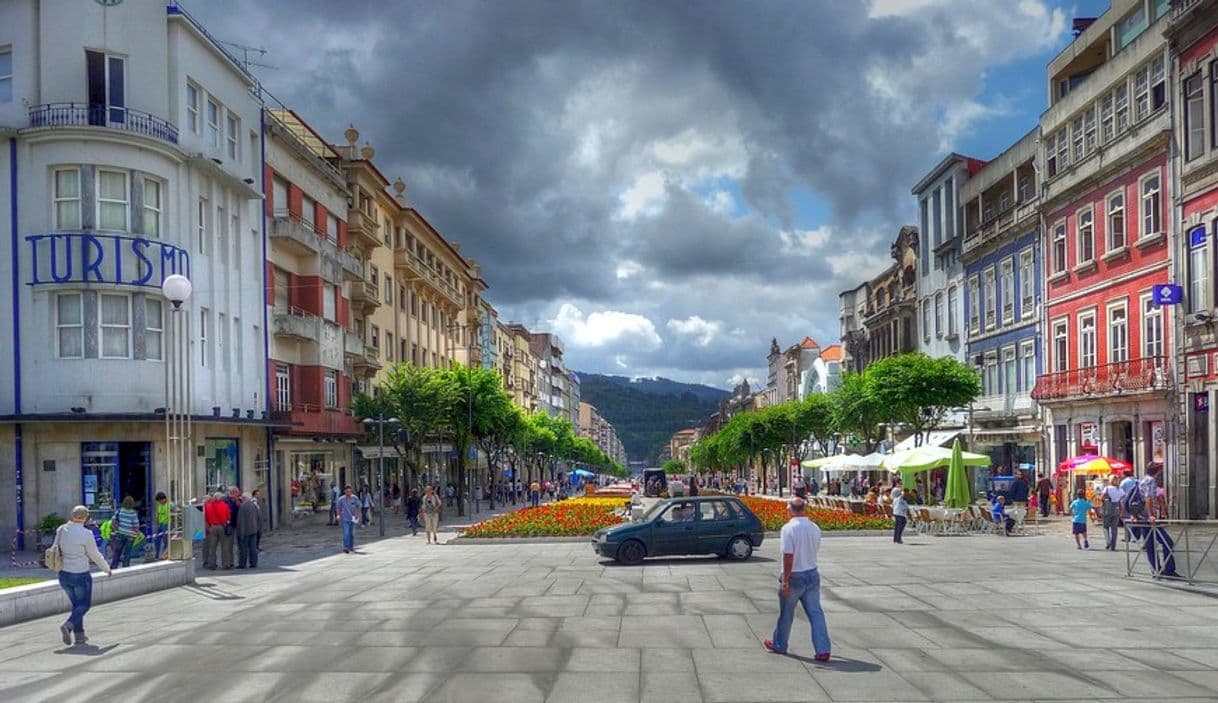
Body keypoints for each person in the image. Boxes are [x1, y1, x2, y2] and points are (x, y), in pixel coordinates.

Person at [763, 497, 831, 661]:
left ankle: (780, 644)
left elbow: (788, 556)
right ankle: (823, 649)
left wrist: (785, 580)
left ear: (790, 509)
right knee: (816, 613)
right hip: (812, 573)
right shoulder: (814, 527)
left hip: (795, 576)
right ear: (804, 509)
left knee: (786, 613)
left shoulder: (789, 529)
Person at [51, 505, 112, 646]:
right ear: (85, 518)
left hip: (63, 574)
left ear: (73, 516)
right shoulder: (86, 534)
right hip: (80, 574)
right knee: (84, 605)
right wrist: (106, 568)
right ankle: (68, 625)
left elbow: (54, 548)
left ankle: (79, 635)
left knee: (76, 606)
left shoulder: (61, 530)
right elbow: (94, 555)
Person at [1134, 465, 1180, 578]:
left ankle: (1155, 570)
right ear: (1157, 472)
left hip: (1142, 518)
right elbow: (1148, 498)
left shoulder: (1142, 480)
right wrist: (1151, 516)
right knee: (1168, 542)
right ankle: (1168, 569)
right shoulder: (1150, 481)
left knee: (1150, 545)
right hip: (1149, 519)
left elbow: (1157, 496)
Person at [108, 496, 141, 569]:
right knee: (127, 552)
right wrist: (136, 531)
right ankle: (125, 567)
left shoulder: (120, 511)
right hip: (130, 535)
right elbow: (136, 525)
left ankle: (114, 566)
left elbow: (113, 519)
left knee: (117, 551)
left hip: (120, 533)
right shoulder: (133, 513)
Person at [202, 492, 230, 570]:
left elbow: (206, 518)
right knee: (224, 546)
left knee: (212, 547)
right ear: (221, 498)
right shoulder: (225, 505)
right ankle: (226, 564)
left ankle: (212, 564)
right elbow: (228, 517)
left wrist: (209, 526)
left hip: (212, 527)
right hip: (222, 526)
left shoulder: (208, 506)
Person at [236, 492, 261, 568]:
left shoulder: (243, 507)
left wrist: (240, 533)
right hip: (254, 530)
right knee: (253, 548)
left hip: (245, 531)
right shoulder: (254, 506)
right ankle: (253, 563)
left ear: (244, 498)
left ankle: (242, 564)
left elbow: (241, 521)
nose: (241, 499)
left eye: (242, 498)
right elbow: (258, 518)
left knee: (243, 549)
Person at [1099, 476, 1124, 551]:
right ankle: (1113, 545)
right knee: (1114, 528)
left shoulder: (1107, 488)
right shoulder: (1120, 489)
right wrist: (1121, 511)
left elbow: (1102, 498)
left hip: (1107, 508)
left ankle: (1108, 541)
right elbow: (1120, 501)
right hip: (1116, 508)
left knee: (1105, 526)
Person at [336, 485, 362, 553]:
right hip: (345, 519)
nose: (349, 493)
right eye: (347, 491)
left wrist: (358, 515)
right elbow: (338, 508)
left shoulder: (354, 498)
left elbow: (359, 506)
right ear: (344, 491)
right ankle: (346, 547)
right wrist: (338, 515)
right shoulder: (341, 499)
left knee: (352, 533)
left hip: (353, 519)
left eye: (350, 491)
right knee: (346, 533)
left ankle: (351, 546)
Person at [223, 487, 241, 569]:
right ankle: (230, 562)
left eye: (237, 492)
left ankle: (236, 561)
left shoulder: (239, 500)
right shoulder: (227, 501)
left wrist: (237, 500)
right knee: (229, 545)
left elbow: (241, 507)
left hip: (239, 524)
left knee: (239, 544)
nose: (237, 493)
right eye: (235, 492)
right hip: (230, 525)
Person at [153, 491, 171, 561]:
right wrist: (157, 522)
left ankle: (164, 555)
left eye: (160, 501)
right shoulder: (159, 505)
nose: (159, 502)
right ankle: (156, 554)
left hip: (166, 524)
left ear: (163, 499)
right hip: (160, 524)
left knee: (165, 540)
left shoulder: (169, 505)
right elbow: (158, 514)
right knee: (157, 540)